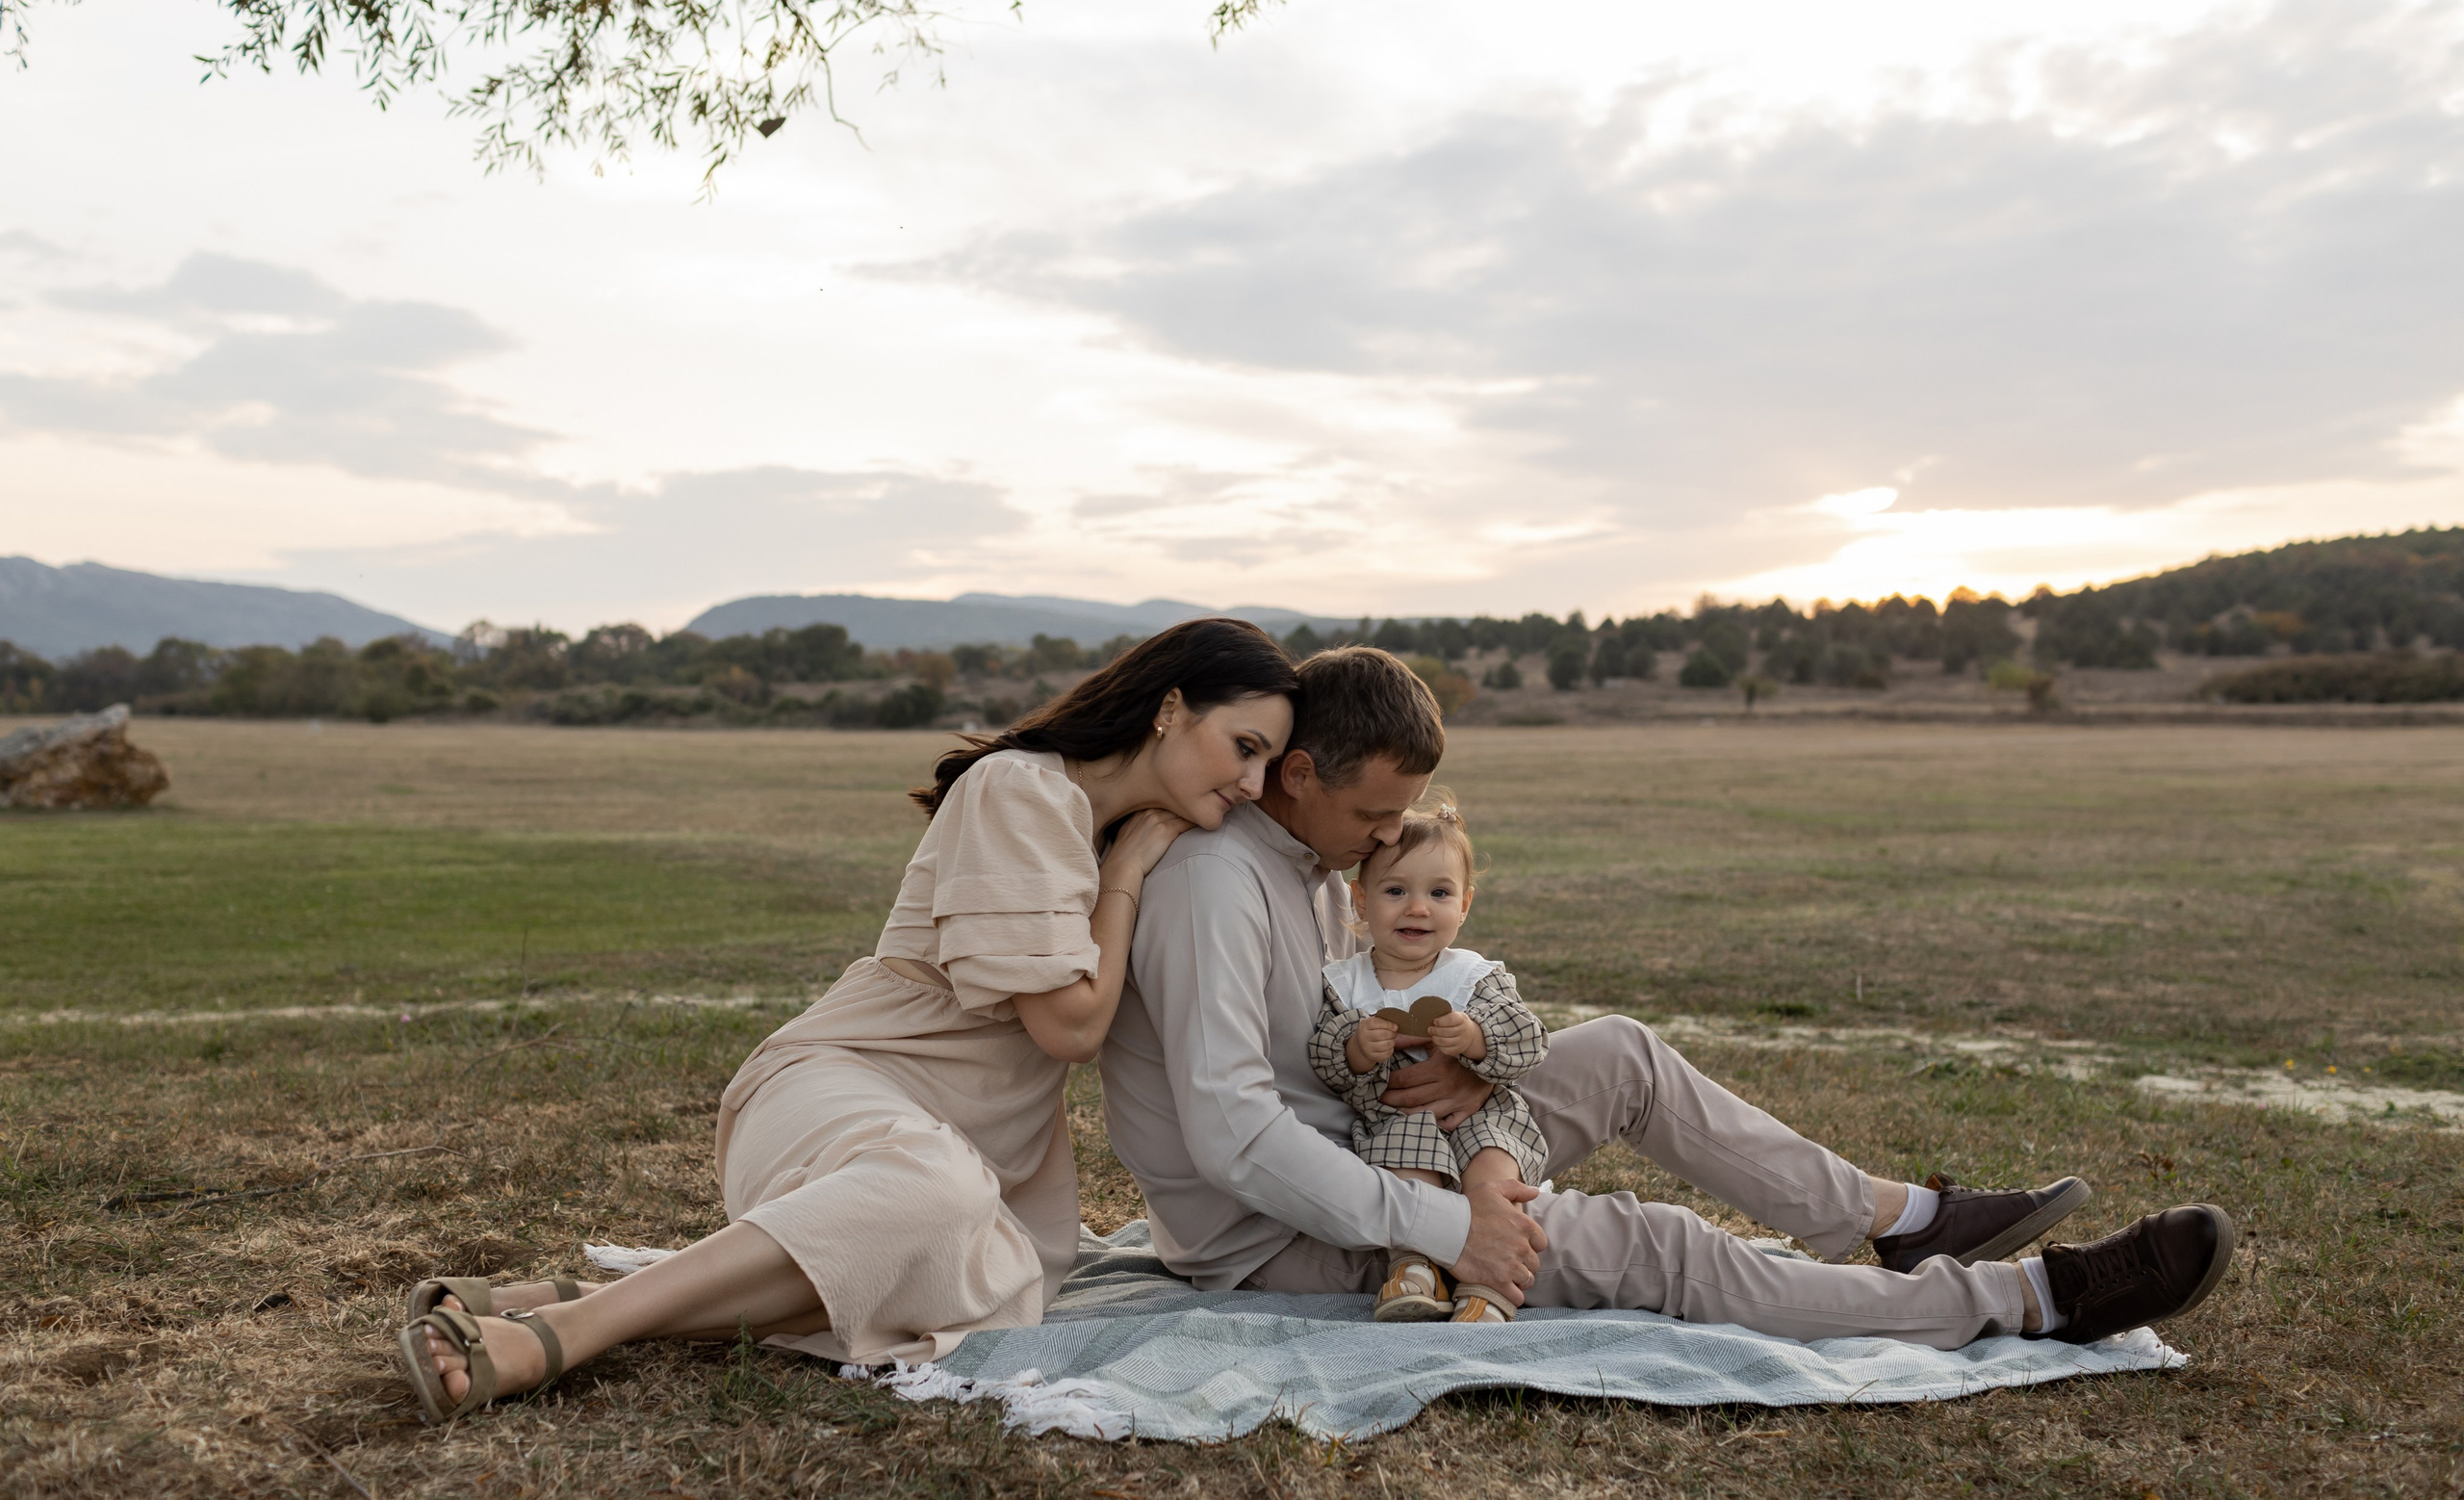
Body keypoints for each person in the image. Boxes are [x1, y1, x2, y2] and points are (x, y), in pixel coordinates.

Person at [1101, 645, 2238, 1349]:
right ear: (1302, 775)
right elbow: (1234, 1133)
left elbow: (1319, 1045)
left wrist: (1439, 1058)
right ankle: (2032, 1302)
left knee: (1623, 1055)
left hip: (1379, 1136)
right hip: (1280, 1235)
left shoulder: (1299, 863)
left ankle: (1903, 1222)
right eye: (1377, 821)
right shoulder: (1213, 887)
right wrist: (1457, 1226)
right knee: (1659, 1248)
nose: (1394, 841)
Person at [393, 618, 1297, 1423]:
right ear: (1172, 706)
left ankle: (588, 1292)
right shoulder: (1023, 789)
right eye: (1243, 745)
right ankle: (559, 1330)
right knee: (935, 1193)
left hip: (996, 1154)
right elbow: (1071, 1029)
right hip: (848, 1086)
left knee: (999, 1274)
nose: (1254, 781)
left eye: (1268, 762)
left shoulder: (1123, 825)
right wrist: (1130, 867)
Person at [1307, 796, 1549, 1323]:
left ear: (1463, 905)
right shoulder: (1346, 985)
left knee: (1491, 1171)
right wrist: (1355, 1049)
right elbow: (1323, 1056)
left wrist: (1476, 1037)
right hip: (1399, 1118)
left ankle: (1492, 1285)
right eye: (1396, 891)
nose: (1418, 908)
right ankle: (1416, 1267)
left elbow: (1529, 1040)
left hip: (1482, 1117)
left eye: (1439, 893)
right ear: (1362, 901)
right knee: (1403, 1164)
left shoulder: (1471, 976)